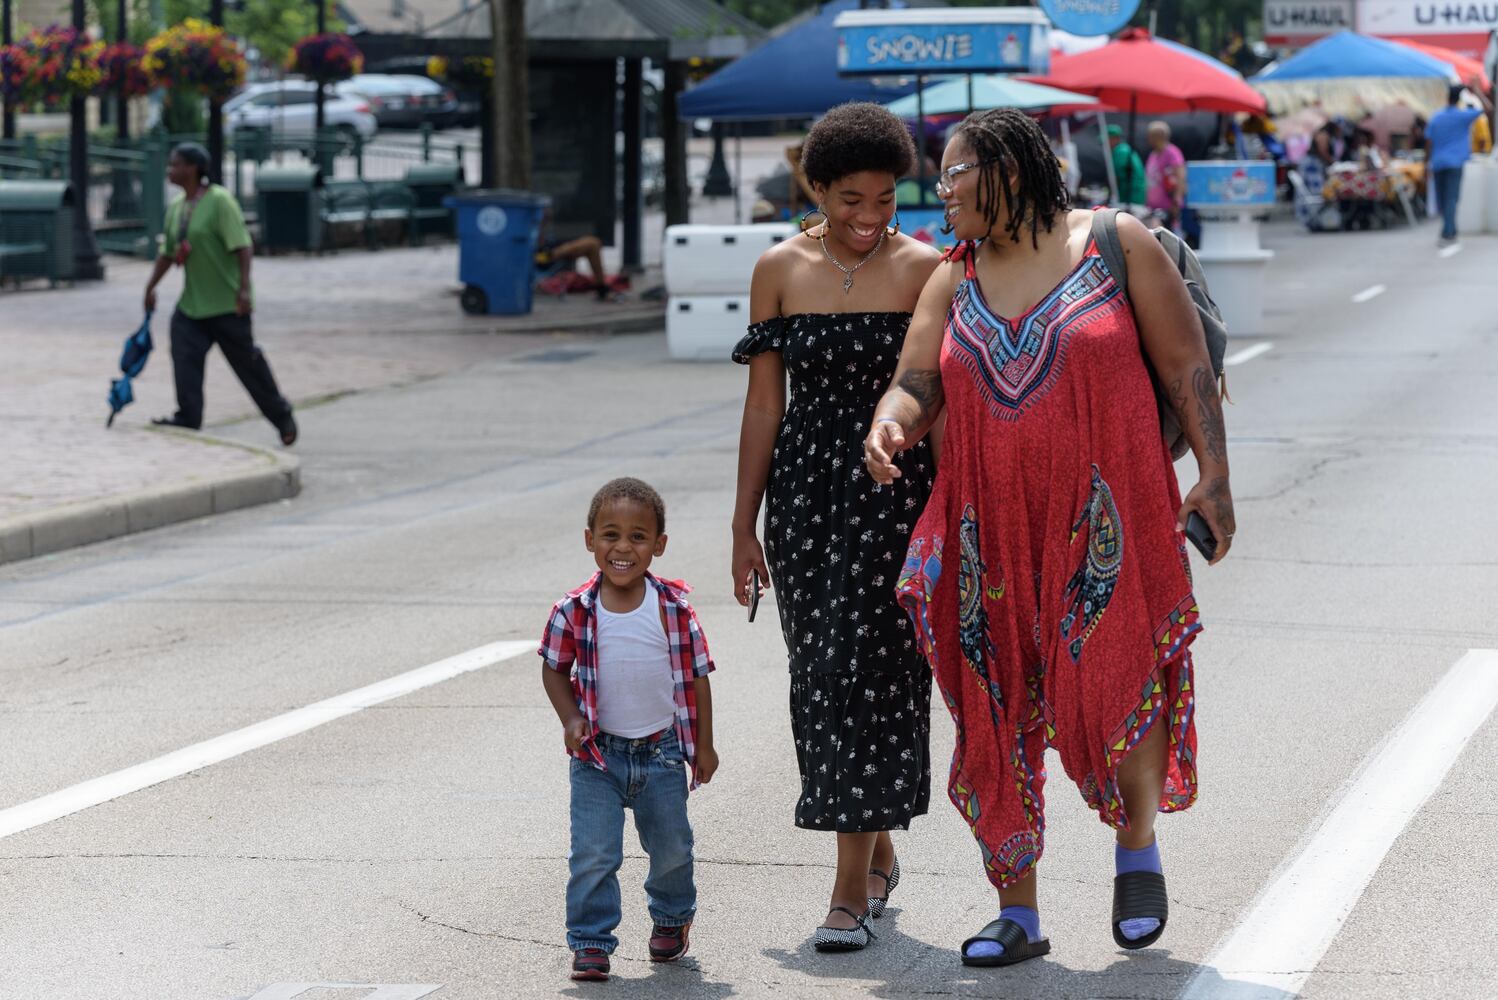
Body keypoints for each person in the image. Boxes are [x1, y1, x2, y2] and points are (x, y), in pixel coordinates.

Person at [864, 108, 1234, 967]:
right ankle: (1017, 908)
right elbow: (916, 379)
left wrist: (1214, 479)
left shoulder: (1116, 242)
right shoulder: (952, 278)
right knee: (992, 701)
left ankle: (1135, 847)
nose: (941, 190)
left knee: (1113, 676)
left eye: (953, 173)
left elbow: (1187, 370)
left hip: (1108, 510)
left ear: (1007, 171)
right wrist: (890, 426)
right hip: (988, 522)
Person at [731, 102, 942, 952]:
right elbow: (763, 403)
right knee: (821, 680)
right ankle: (880, 852)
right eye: (849, 199)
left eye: (885, 199)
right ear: (813, 187)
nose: (868, 218)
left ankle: (849, 890)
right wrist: (743, 525)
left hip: (895, 492)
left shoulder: (928, 267)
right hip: (806, 503)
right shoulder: (778, 268)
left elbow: (938, 392)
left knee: (872, 678)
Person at [539, 477, 719, 982]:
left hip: (661, 752)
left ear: (658, 546)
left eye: (638, 537)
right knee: (594, 854)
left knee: (671, 849)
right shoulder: (574, 610)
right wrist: (571, 718)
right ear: (589, 539)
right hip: (597, 756)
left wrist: (702, 744)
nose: (623, 548)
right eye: (610, 535)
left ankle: (670, 919)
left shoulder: (674, 610)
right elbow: (554, 668)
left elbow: (698, 677)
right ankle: (592, 942)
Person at [144, 143, 296, 446]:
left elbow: (243, 246)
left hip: (228, 303)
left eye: (175, 164)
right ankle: (188, 416)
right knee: (184, 356)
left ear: (193, 168)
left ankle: (281, 416)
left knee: (248, 364)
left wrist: (243, 289)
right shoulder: (177, 208)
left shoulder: (220, 201)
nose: (169, 170)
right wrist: (151, 286)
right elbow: (169, 252)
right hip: (193, 304)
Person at [1426, 85, 1492, 245]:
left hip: (1438, 162)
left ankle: (1449, 230)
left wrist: (1426, 163)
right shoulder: (1463, 116)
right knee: (1451, 198)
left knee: (1443, 199)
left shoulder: (1436, 117)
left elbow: (1428, 141)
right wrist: (1476, 91)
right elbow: (1489, 109)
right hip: (1455, 163)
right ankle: (1448, 232)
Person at [534, 216, 612, 300]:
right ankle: (601, 288)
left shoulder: (544, 224)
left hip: (556, 251)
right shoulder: (530, 225)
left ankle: (601, 287)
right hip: (541, 257)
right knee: (592, 243)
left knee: (593, 244)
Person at [1145, 121, 1187, 230]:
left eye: (1150, 136)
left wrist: (1177, 200)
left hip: (1168, 206)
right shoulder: (1153, 154)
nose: (1148, 139)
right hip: (1153, 206)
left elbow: (1180, 176)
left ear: (1159, 136)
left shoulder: (1172, 153)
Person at [1107, 124, 1148, 207]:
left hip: (1131, 198)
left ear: (1115, 139)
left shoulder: (1120, 152)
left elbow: (1117, 177)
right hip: (1135, 196)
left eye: (1108, 140)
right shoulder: (1125, 149)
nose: (1106, 145)